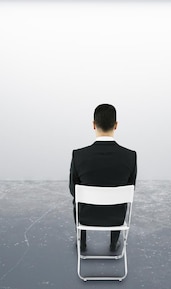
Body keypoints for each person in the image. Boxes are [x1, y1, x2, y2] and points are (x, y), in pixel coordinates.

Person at [69, 103, 137, 252]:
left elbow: (72, 189)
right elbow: (131, 188)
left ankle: (82, 242)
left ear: (93, 125)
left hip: (86, 217)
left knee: (77, 199)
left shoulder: (79, 155)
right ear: (116, 125)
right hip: (116, 218)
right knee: (121, 199)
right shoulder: (130, 156)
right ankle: (114, 244)